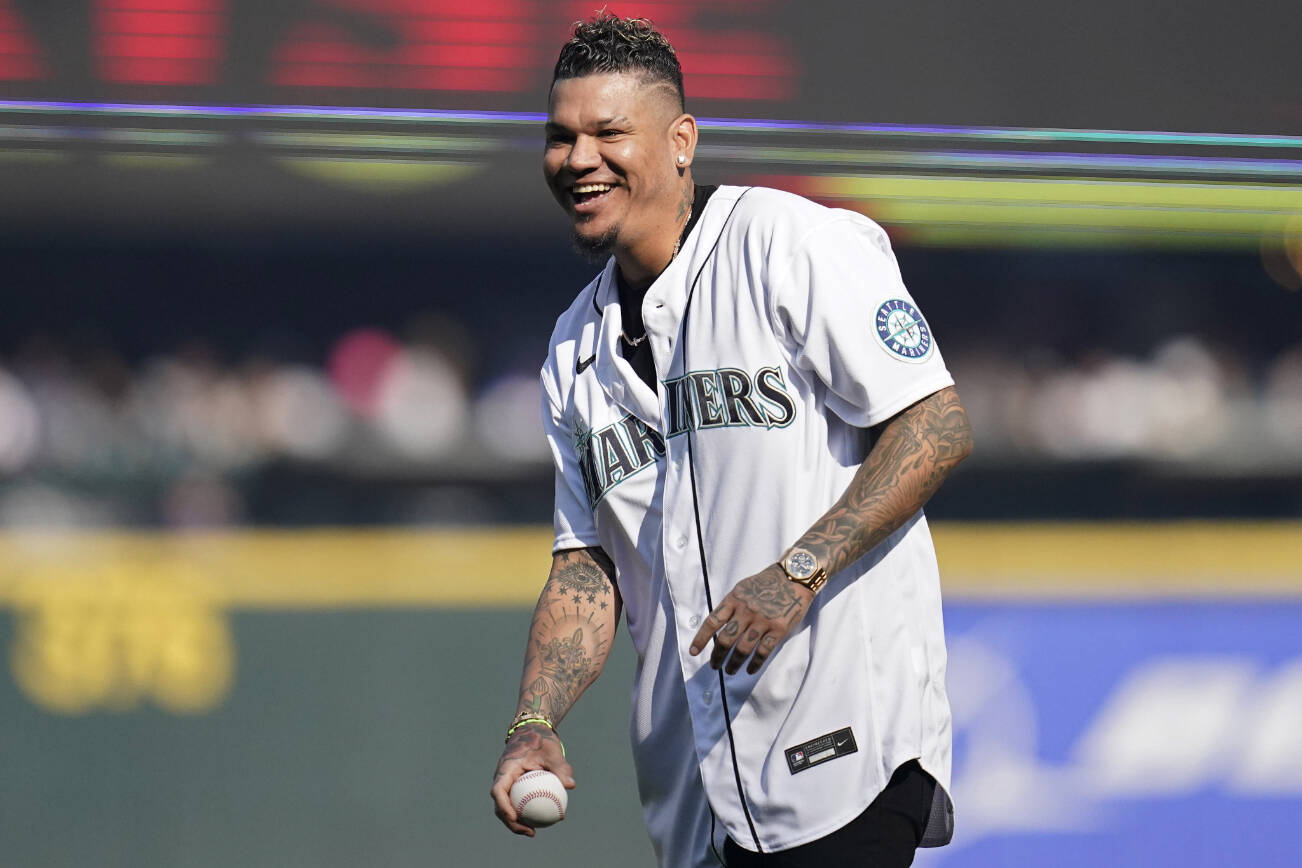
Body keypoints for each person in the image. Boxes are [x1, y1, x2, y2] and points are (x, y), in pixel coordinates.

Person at [490, 13, 973, 868]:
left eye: (608, 132)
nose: (578, 159)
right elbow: (585, 566)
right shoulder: (574, 350)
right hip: (695, 792)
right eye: (560, 137)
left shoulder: (789, 246)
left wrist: (798, 570)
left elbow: (933, 422)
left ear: (680, 141)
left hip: (841, 749)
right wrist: (535, 721)